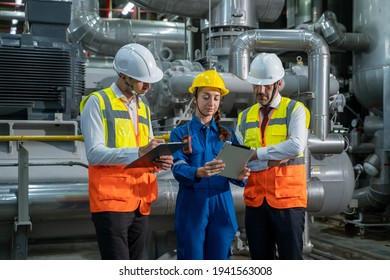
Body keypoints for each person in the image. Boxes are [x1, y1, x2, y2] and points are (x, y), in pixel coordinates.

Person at [79, 43, 173, 260]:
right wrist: (140, 152)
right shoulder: (97, 102)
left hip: (140, 201)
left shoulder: (143, 107)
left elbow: (145, 148)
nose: (148, 86)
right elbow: (94, 153)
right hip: (112, 202)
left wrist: (157, 160)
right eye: (142, 80)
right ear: (123, 76)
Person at [236, 53, 310, 260]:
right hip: (255, 201)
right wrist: (271, 160)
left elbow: (295, 146)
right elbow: (240, 158)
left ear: (280, 83)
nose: (261, 91)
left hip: (288, 201)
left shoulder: (295, 110)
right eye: (256, 85)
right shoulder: (244, 117)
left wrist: (257, 155)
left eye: (267, 85)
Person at [169, 69, 250, 260]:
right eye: (206, 97)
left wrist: (240, 176)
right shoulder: (180, 133)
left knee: (220, 260)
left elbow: (238, 171)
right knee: (192, 260)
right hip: (192, 204)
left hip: (221, 204)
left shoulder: (228, 135)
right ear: (195, 97)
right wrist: (198, 172)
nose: (211, 103)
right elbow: (177, 167)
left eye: (215, 98)